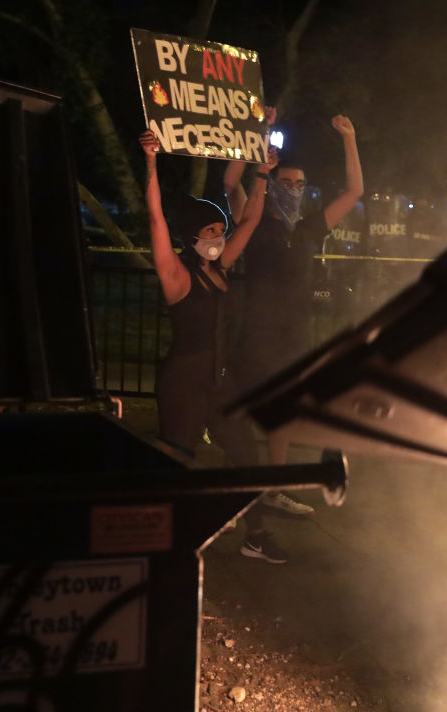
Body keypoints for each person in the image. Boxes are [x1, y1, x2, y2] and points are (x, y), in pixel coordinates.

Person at [139, 128, 288, 564]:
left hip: (220, 382)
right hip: (184, 383)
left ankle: (255, 534)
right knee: (177, 463)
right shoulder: (178, 275)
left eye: (220, 229)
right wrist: (150, 162)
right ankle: (163, 542)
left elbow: (253, 220)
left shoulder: (221, 266)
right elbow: (155, 220)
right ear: (192, 236)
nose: (219, 236)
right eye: (210, 229)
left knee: (245, 454)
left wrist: (261, 175)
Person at [228, 114, 364, 516]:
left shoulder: (309, 228)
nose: (293, 190)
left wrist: (350, 139)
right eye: (285, 184)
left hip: (293, 334)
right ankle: (230, 499)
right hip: (254, 332)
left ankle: (273, 488)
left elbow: (355, 190)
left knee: (283, 417)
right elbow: (231, 184)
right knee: (238, 417)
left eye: (300, 185)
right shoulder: (254, 220)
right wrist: (255, 135)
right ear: (271, 187)